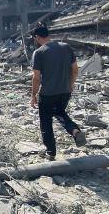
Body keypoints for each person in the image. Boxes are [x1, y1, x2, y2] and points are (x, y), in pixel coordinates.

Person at [30, 24, 86, 160]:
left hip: (48, 94)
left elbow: (36, 78)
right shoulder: (65, 47)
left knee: (46, 122)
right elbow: (75, 69)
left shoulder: (39, 52)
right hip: (65, 91)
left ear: (37, 37)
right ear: (48, 34)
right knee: (59, 112)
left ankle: (51, 152)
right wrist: (71, 84)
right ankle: (74, 130)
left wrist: (33, 95)